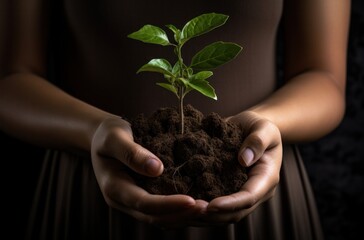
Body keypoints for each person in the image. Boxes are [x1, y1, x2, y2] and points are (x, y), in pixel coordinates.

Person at [0, 0, 350, 239]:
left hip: (252, 179)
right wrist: (94, 131)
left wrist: (265, 124)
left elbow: (324, 78)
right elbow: (11, 80)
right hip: (93, 187)